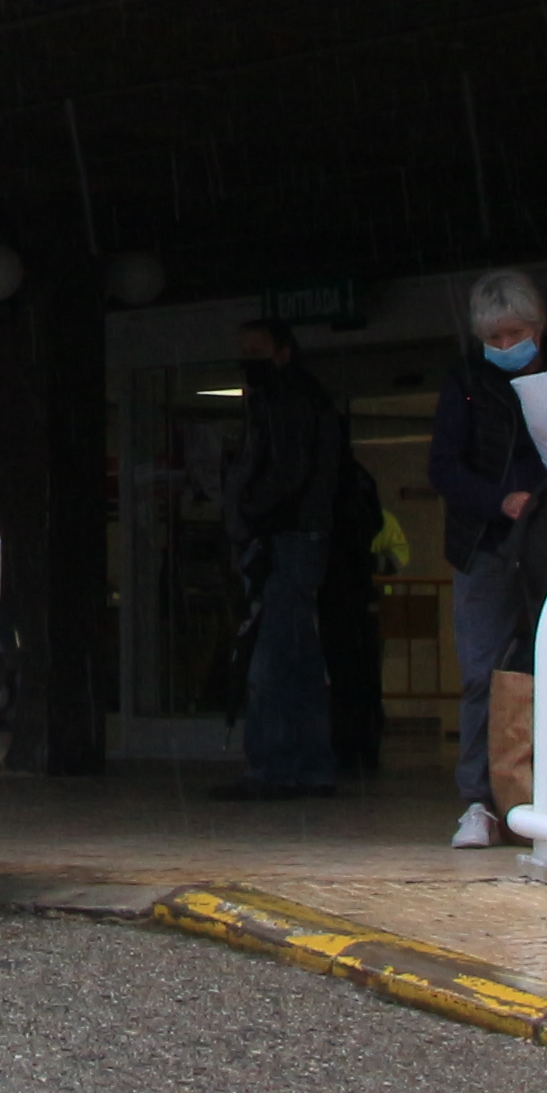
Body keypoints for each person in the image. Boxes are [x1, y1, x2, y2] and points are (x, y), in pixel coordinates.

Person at [427, 270, 547, 848]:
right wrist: (500, 500)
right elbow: (444, 468)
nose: (503, 346)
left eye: (514, 334)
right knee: (482, 674)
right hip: (487, 541)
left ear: (538, 326)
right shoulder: (466, 379)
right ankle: (480, 801)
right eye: (492, 338)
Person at [217, 318, 385, 798]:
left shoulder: (285, 400)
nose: (248, 360)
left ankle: (276, 766)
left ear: (283, 351)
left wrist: (252, 514)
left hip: (285, 538)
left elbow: (287, 473)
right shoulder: (301, 398)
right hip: (296, 536)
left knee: (275, 658)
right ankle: (307, 765)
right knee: (298, 655)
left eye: (256, 350)